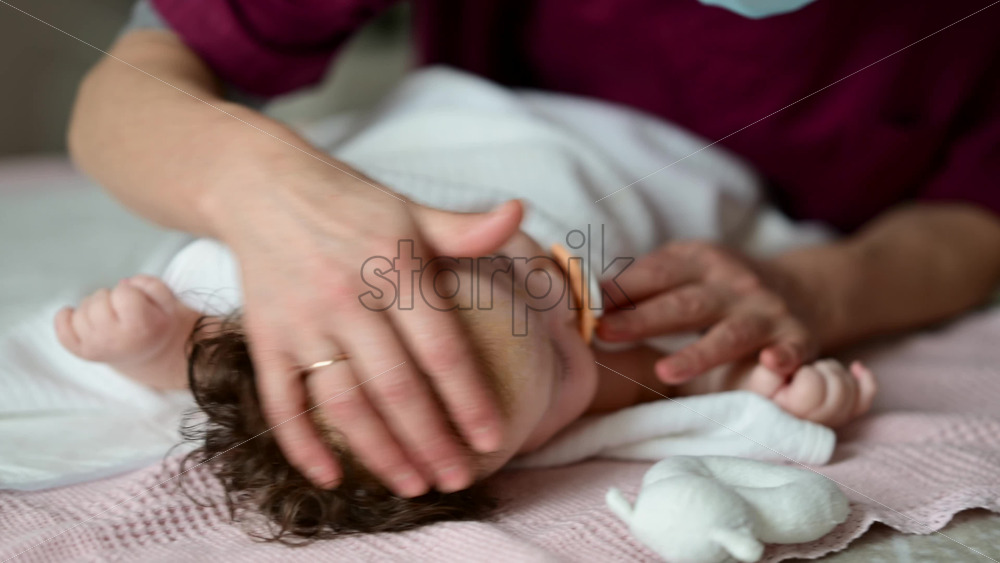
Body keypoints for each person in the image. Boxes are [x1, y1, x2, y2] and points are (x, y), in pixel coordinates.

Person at [68, 0, 1000, 500]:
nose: (570, 298)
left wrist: (162, 345)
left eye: (512, 275)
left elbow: (980, 213)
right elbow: (697, 391)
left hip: (492, 134)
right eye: (561, 360)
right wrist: (259, 185)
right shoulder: (593, 381)